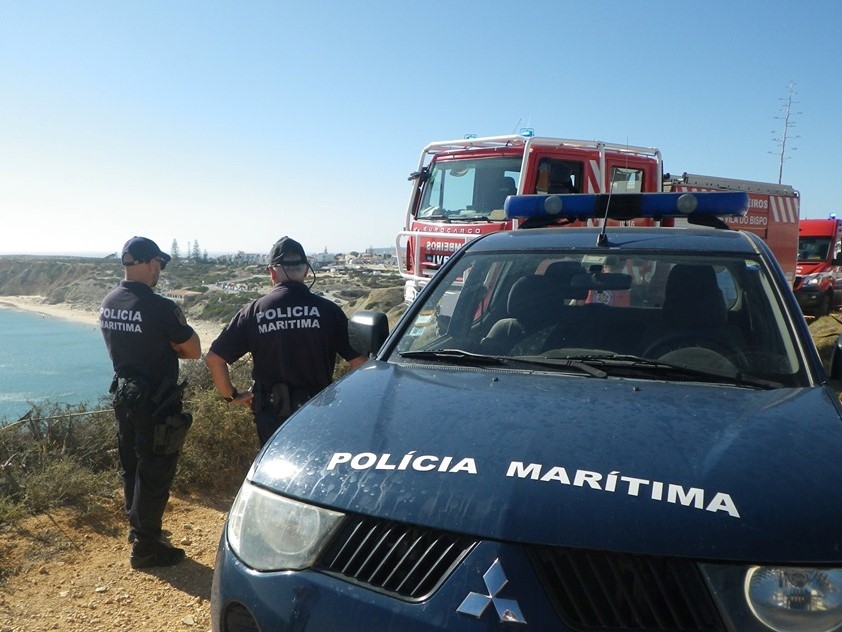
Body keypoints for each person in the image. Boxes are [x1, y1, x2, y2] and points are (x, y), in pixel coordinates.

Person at [205, 236, 367, 446]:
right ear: (306, 271)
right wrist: (341, 397)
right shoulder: (329, 311)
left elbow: (214, 359)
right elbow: (359, 361)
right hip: (318, 413)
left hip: (272, 418)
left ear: (272, 272)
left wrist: (232, 396)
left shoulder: (253, 312)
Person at [100, 236, 201, 569]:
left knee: (131, 465)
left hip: (124, 395)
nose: (159, 269)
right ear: (146, 263)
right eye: (158, 262)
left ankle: (137, 528)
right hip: (156, 402)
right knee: (156, 470)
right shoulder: (160, 308)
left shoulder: (109, 301)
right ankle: (146, 547)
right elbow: (193, 350)